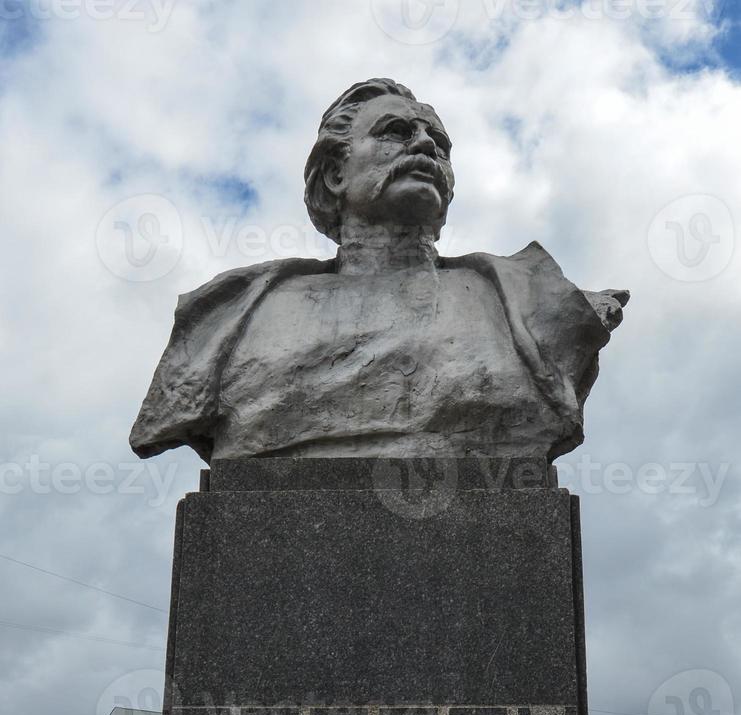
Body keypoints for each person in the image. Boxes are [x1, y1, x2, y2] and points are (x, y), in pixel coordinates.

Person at [130, 78, 628, 463]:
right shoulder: (240, 314)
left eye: (439, 143)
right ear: (335, 173)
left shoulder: (530, 304)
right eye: (396, 132)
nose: (425, 147)